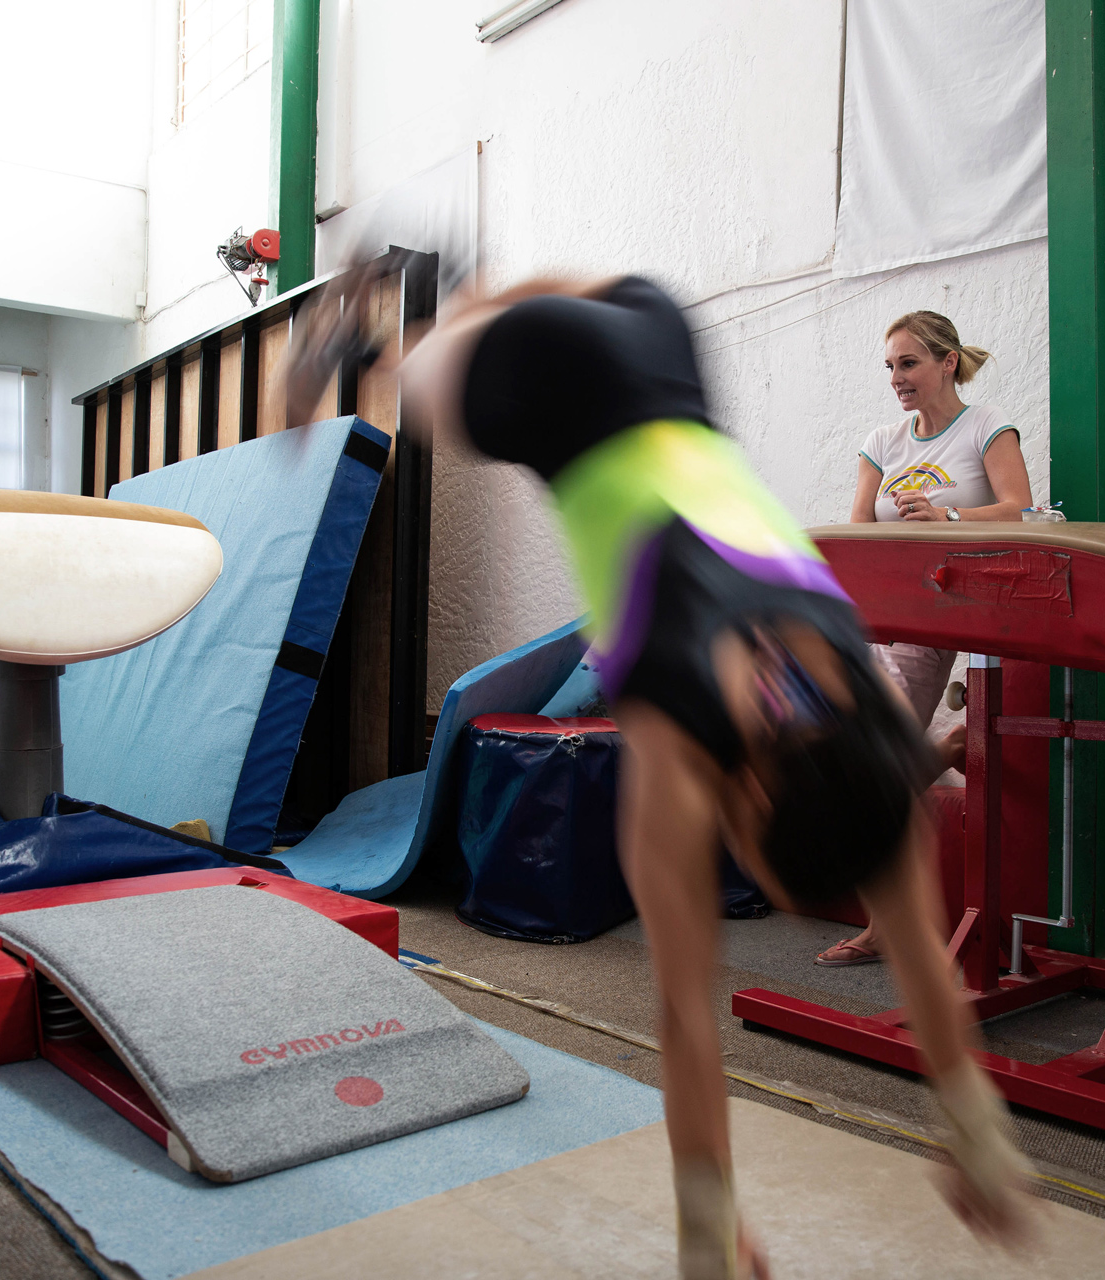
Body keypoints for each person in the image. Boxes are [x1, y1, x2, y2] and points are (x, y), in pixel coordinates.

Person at [291, 274, 1033, 1278]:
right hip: (555, 394)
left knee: (526, 305)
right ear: (751, 801)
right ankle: (370, 329)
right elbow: (687, 1013)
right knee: (421, 379)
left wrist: (979, 1133)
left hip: (662, 346)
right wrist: (706, 1234)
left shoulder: (867, 736)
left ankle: (469, 291)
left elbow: (899, 966)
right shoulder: (684, 757)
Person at [815, 311, 1035, 968]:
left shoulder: (985, 426)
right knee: (860, 774)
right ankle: (940, 751)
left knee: (870, 773)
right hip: (875, 617)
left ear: (946, 362)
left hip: (934, 618)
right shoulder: (883, 441)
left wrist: (948, 516)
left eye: (907, 364)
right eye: (889, 367)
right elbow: (856, 531)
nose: (896, 379)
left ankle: (887, 929)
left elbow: (1021, 507)